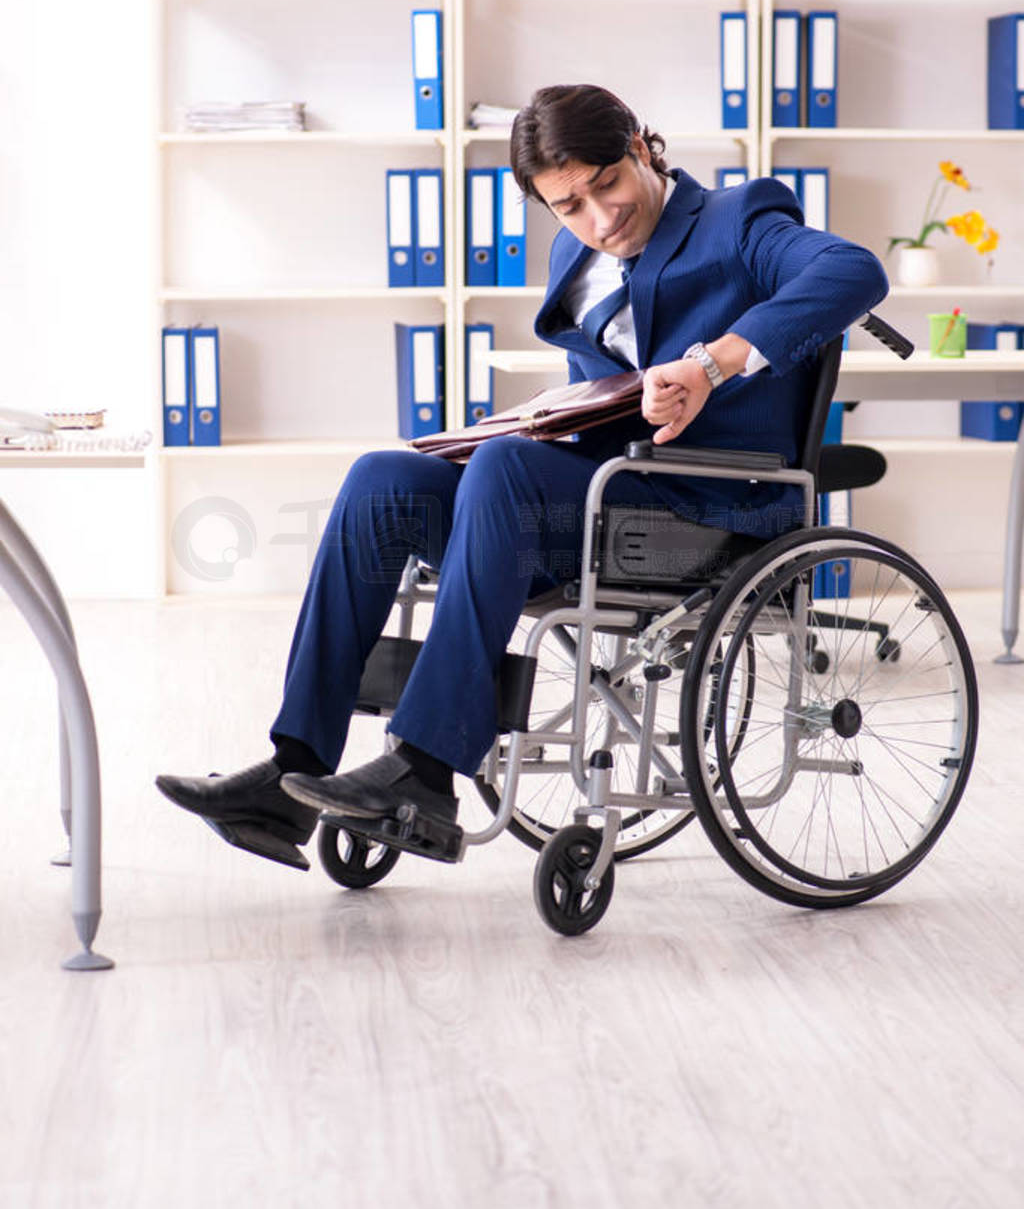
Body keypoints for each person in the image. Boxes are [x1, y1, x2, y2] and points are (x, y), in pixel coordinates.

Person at [156, 83, 888, 869]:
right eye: (569, 205)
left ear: (641, 150)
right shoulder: (575, 253)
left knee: (505, 471)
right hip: (592, 502)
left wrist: (711, 364)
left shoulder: (736, 221)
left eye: (606, 184)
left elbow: (854, 271)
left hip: (704, 514)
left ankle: (427, 771)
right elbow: (601, 391)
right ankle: (294, 767)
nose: (598, 218)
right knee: (382, 480)